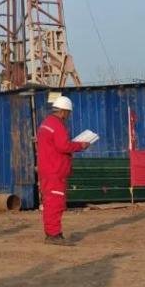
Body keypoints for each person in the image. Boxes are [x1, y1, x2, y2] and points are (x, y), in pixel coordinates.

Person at [36, 95, 90, 245]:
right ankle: (54, 235)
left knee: (50, 202)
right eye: (68, 113)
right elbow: (63, 146)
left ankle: (51, 233)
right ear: (64, 111)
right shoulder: (57, 125)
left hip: (47, 169)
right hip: (55, 170)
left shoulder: (46, 123)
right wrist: (81, 145)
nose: (68, 116)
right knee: (55, 203)